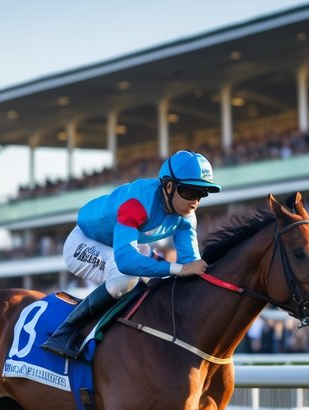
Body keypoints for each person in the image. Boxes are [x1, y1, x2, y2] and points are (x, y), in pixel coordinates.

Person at [41, 150, 219, 359]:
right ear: (169, 186)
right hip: (84, 242)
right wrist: (178, 269)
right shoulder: (137, 202)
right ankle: (65, 331)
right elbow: (125, 262)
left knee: (156, 282)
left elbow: (190, 264)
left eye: (202, 193)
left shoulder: (186, 216)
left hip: (124, 243)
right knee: (125, 279)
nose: (195, 201)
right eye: (190, 191)